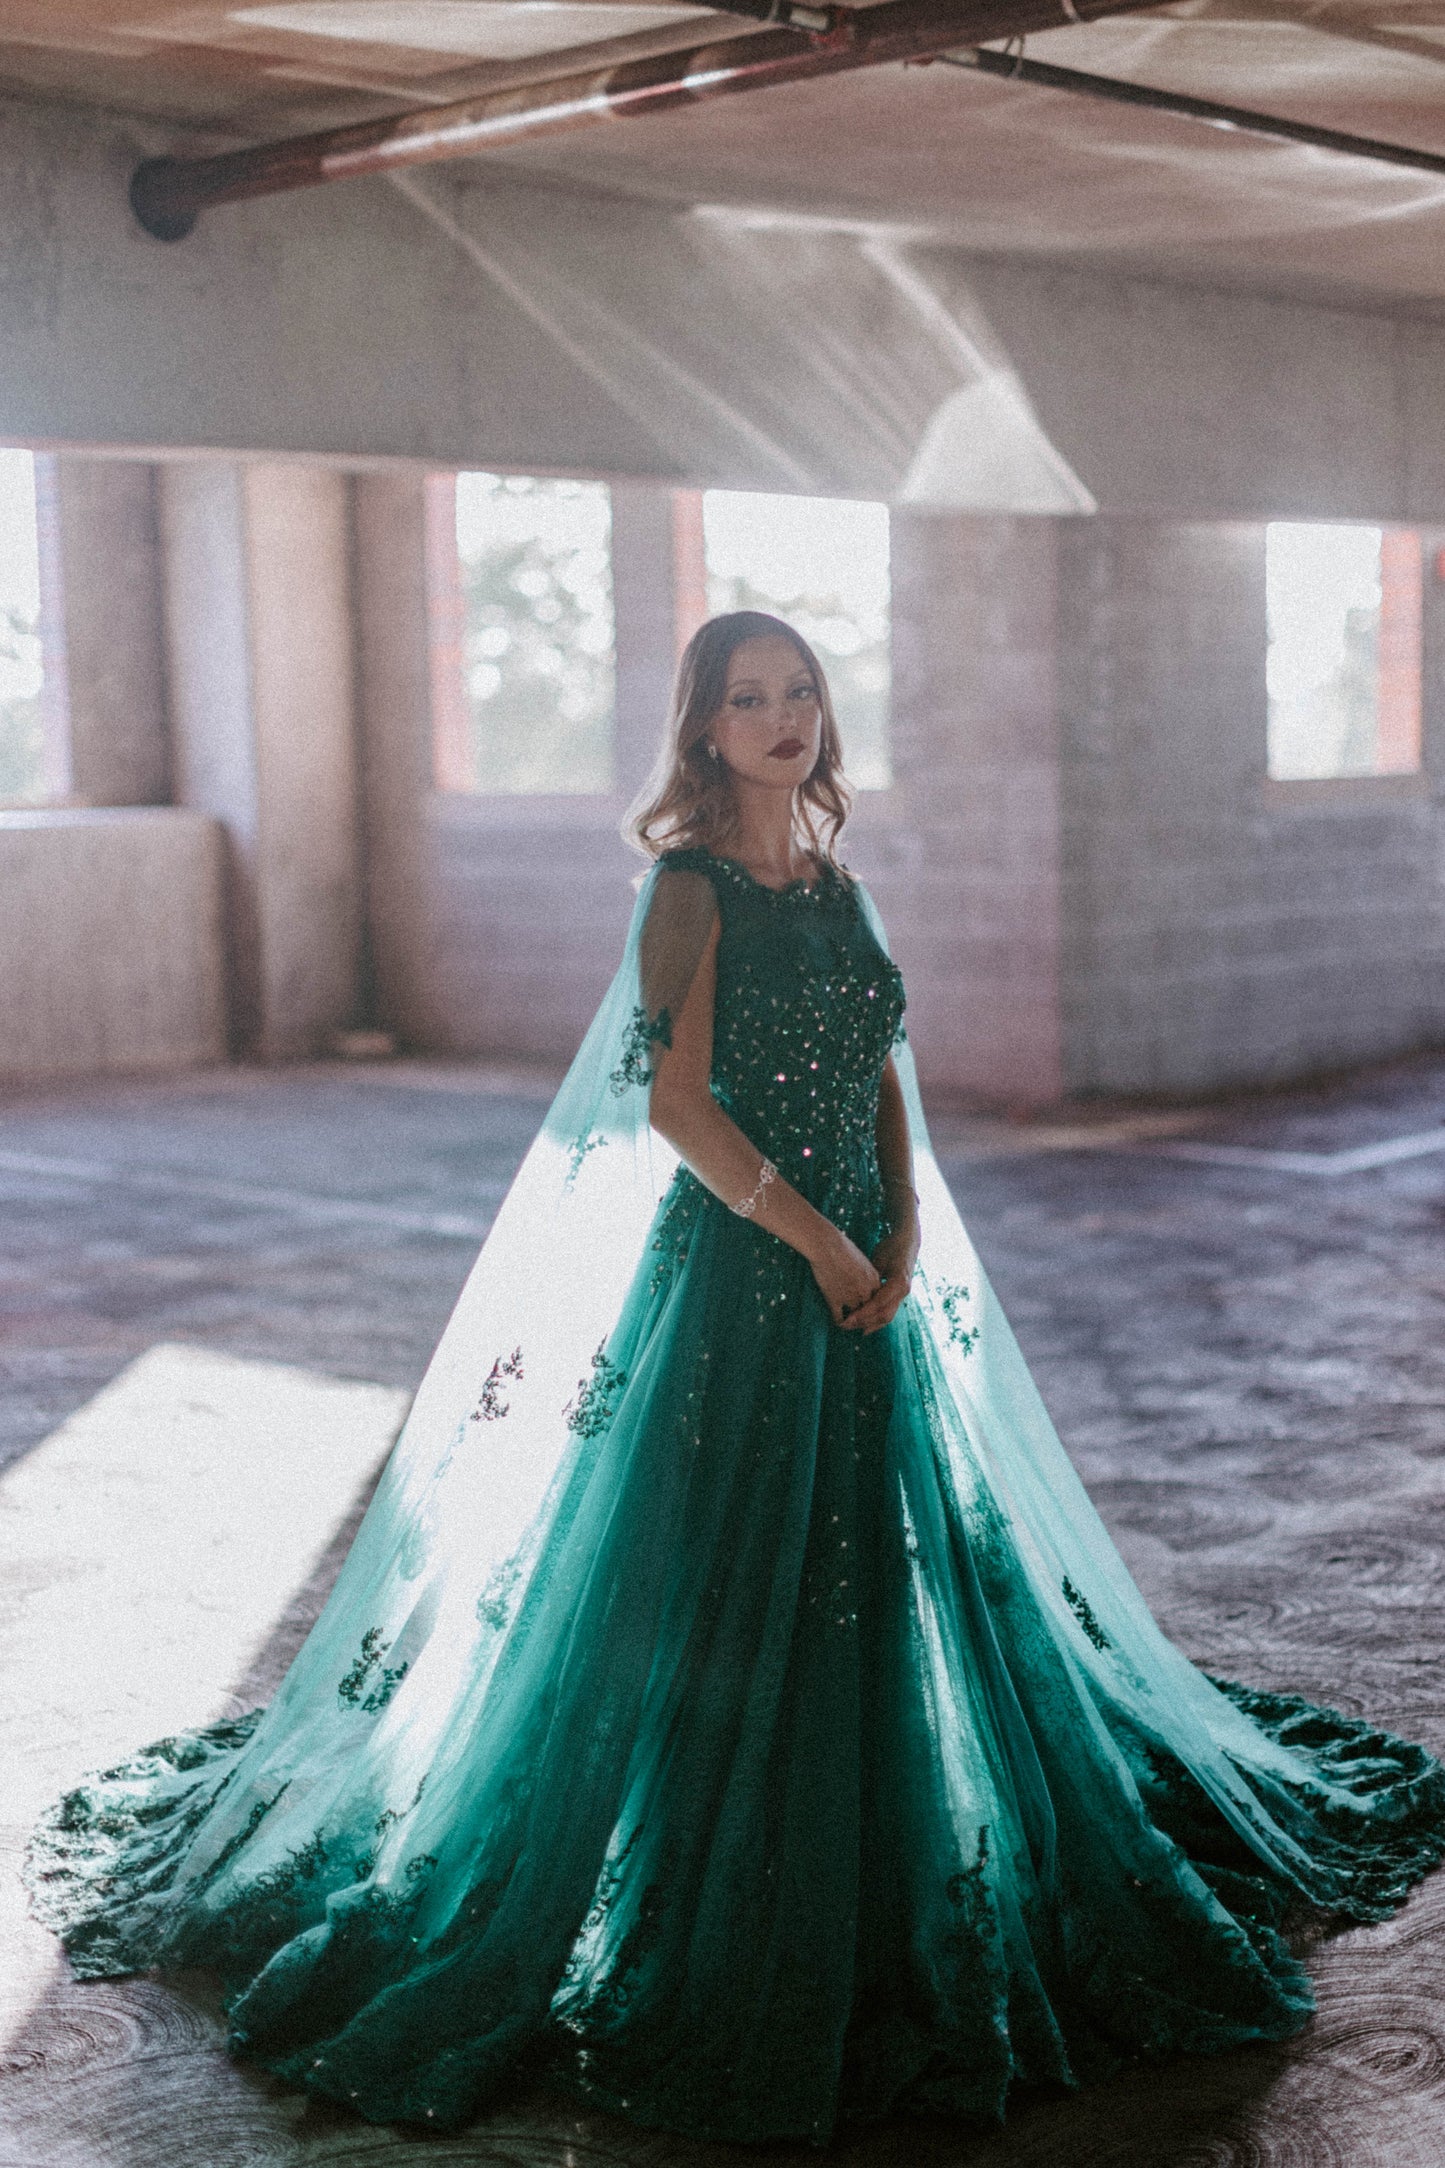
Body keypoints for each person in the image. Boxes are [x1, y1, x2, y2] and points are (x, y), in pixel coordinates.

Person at [27, 610, 1445, 2146]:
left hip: (861, 1273)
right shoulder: (684, 890)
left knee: (888, 1569)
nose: (779, 719)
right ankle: (705, 1886)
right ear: (702, 731)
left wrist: (895, 1230)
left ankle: (889, 1858)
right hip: (734, 1288)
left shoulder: (841, 890)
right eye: (745, 699)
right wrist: (818, 1242)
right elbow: (678, 1111)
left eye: (800, 694)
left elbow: (881, 1076)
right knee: (702, 1585)